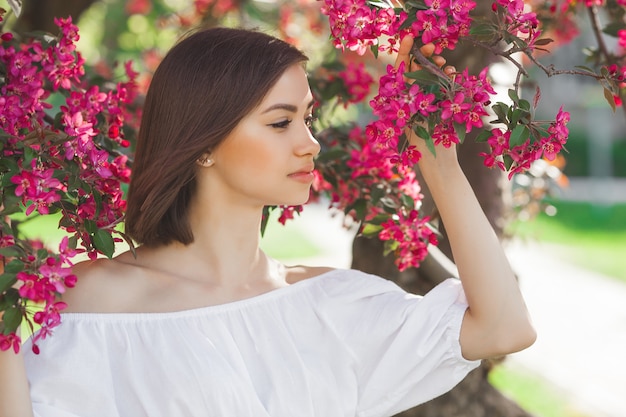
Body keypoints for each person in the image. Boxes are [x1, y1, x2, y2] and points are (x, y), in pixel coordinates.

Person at [0, 27, 536, 417]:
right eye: (281, 122)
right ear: (203, 143)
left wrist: (438, 162)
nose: (310, 143)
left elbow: (503, 327)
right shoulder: (92, 304)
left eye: (306, 118)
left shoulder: (330, 304)